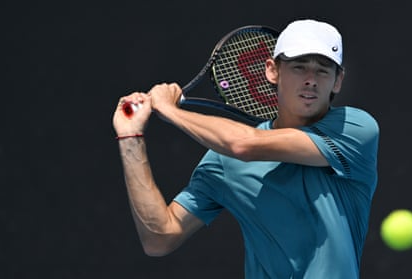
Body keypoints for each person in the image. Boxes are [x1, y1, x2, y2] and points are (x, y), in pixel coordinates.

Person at [113, 19, 379, 279]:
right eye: (299, 67)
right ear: (272, 70)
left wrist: (169, 110)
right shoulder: (223, 160)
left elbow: (244, 145)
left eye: (323, 70)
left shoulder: (355, 129)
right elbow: (159, 238)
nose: (311, 79)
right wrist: (130, 138)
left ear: (338, 80)